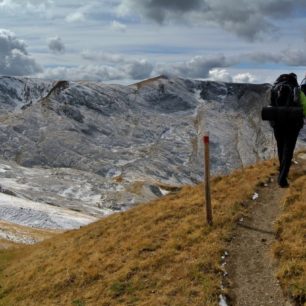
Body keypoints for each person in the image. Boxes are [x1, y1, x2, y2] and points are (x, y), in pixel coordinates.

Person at [271, 73, 304, 188]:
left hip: (278, 125)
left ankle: (282, 171)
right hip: (292, 125)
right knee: (288, 151)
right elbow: (304, 106)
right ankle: (282, 179)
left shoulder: (274, 88)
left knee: (281, 148)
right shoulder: (297, 90)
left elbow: (271, 106)